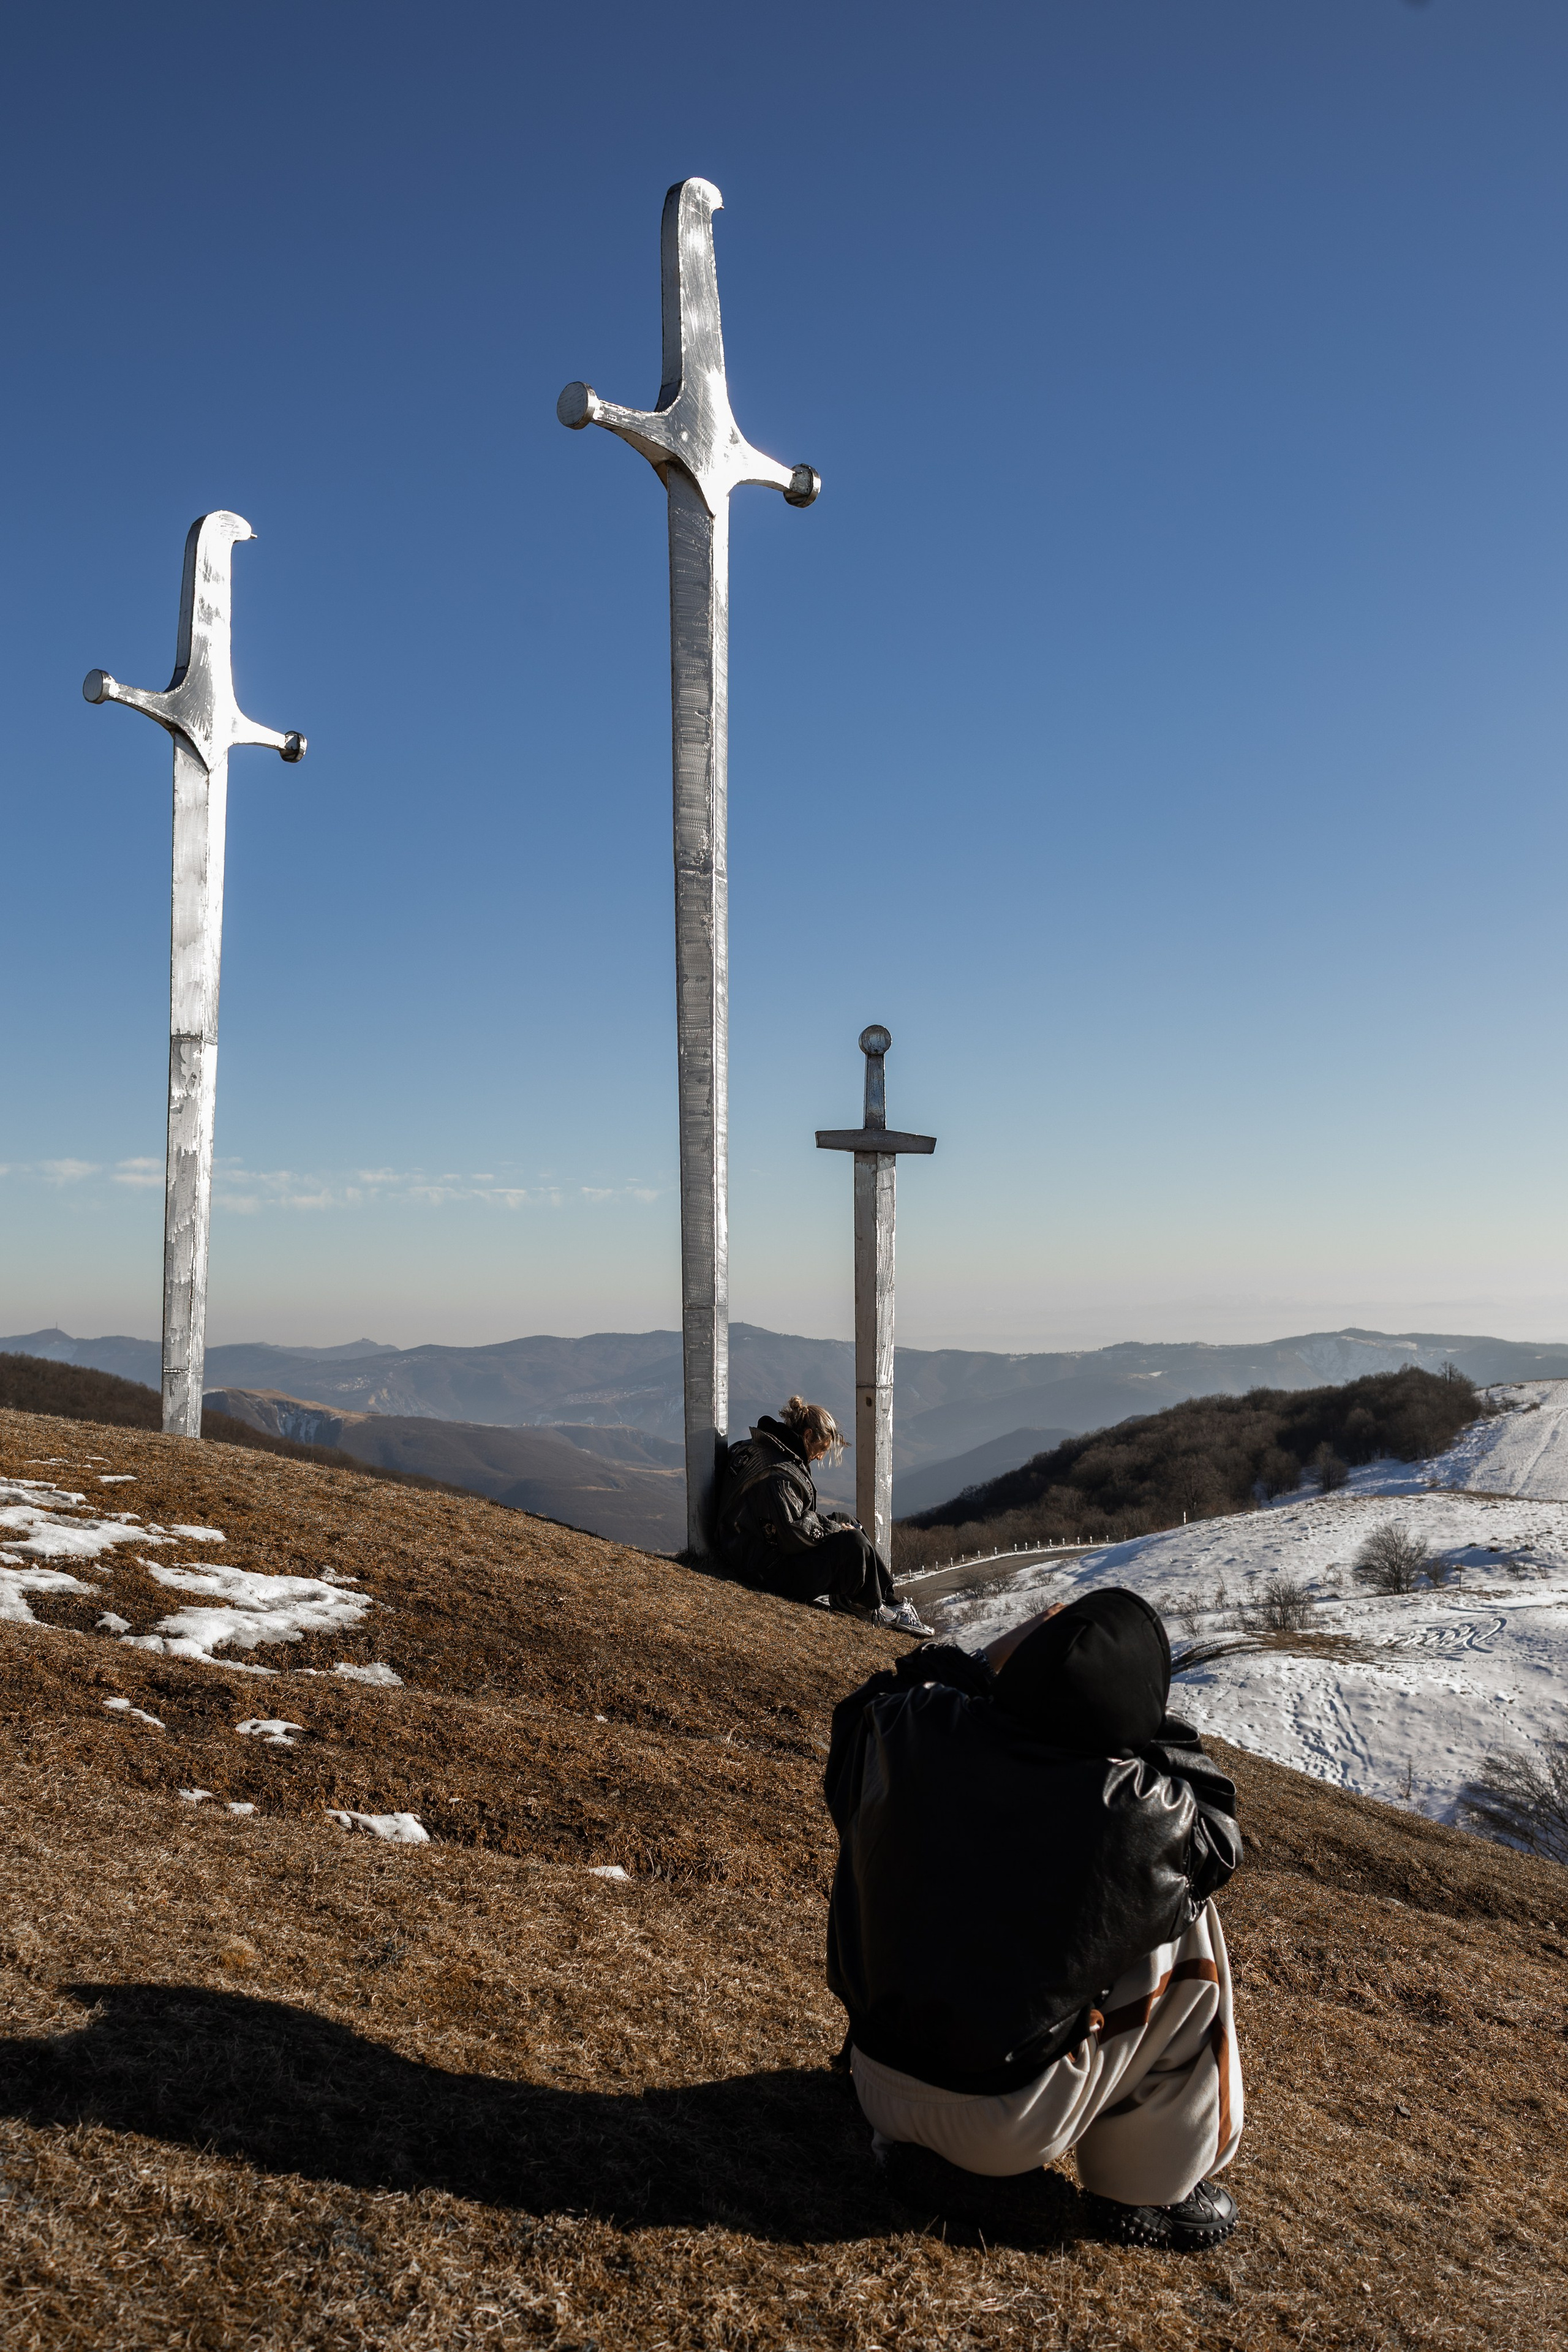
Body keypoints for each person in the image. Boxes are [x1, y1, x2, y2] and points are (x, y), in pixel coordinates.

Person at [823, 1588, 1245, 2249]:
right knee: (1190, 1923)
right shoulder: (1142, 1814)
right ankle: (1148, 2187)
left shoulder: (910, 1725)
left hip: (876, 2077)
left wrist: (996, 1662)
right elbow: (1217, 1819)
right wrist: (1136, 1713)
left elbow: (877, 1696)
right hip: (1006, 2120)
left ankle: (932, 2150)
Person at [716, 1395, 931, 1636]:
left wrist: (839, 1525)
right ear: (807, 1436)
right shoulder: (779, 1475)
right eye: (821, 1449)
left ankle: (890, 1601)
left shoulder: (763, 1449)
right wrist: (836, 1530)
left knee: (849, 1521)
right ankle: (869, 1606)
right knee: (853, 1543)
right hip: (762, 1570)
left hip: (751, 1550)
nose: (820, 1457)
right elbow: (792, 1533)